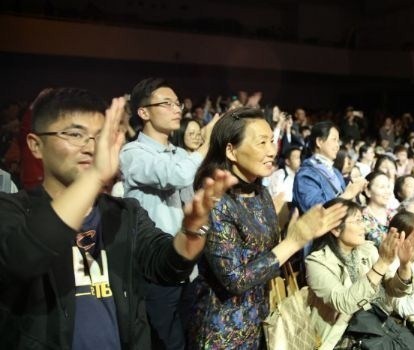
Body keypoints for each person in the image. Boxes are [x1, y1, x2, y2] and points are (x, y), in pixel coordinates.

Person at [0, 87, 237, 349]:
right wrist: (95, 175)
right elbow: (23, 257)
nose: (91, 147)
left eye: (99, 137)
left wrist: (191, 231)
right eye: (75, 134)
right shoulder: (12, 211)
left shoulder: (125, 214)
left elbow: (164, 265)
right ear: (36, 145)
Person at [184, 107, 347, 349]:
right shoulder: (215, 201)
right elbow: (235, 279)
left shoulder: (260, 192)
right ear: (231, 150)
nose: (272, 150)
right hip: (224, 331)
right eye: (262, 142)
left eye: (272, 140)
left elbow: (267, 254)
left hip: (264, 322)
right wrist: (292, 241)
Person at [119, 77, 215, 349]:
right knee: (163, 343)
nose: (177, 109)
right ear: (143, 112)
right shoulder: (133, 153)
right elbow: (175, 175)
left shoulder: (179, 153)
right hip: (155, 271)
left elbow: (190, 201)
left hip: (188, 268)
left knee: (187, 339)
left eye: (178, 103)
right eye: (167, 103)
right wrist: (205, 143)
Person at [305, 198, 414, 350]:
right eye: (357, 221)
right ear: (336, 229)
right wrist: (382, 263)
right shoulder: (317, 262)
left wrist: (404, 265)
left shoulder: (367, 249)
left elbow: (394, 290)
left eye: (362, 219)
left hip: (378, 324)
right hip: (344, 336)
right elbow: (344, 304)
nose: (364, 226)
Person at [293, 121, 366, 215]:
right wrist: (349, 193)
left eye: (338, 141)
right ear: (319, 142)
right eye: (334, 139)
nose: (337, 146)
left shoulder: (335, 172)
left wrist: (354, 190)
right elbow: (317, 214)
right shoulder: (305, 175)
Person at [363, 171, 396, 247]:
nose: (387, 191)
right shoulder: (362, 217)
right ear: (368, 191)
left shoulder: (393, 214)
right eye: (382, 187)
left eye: (388, 187)